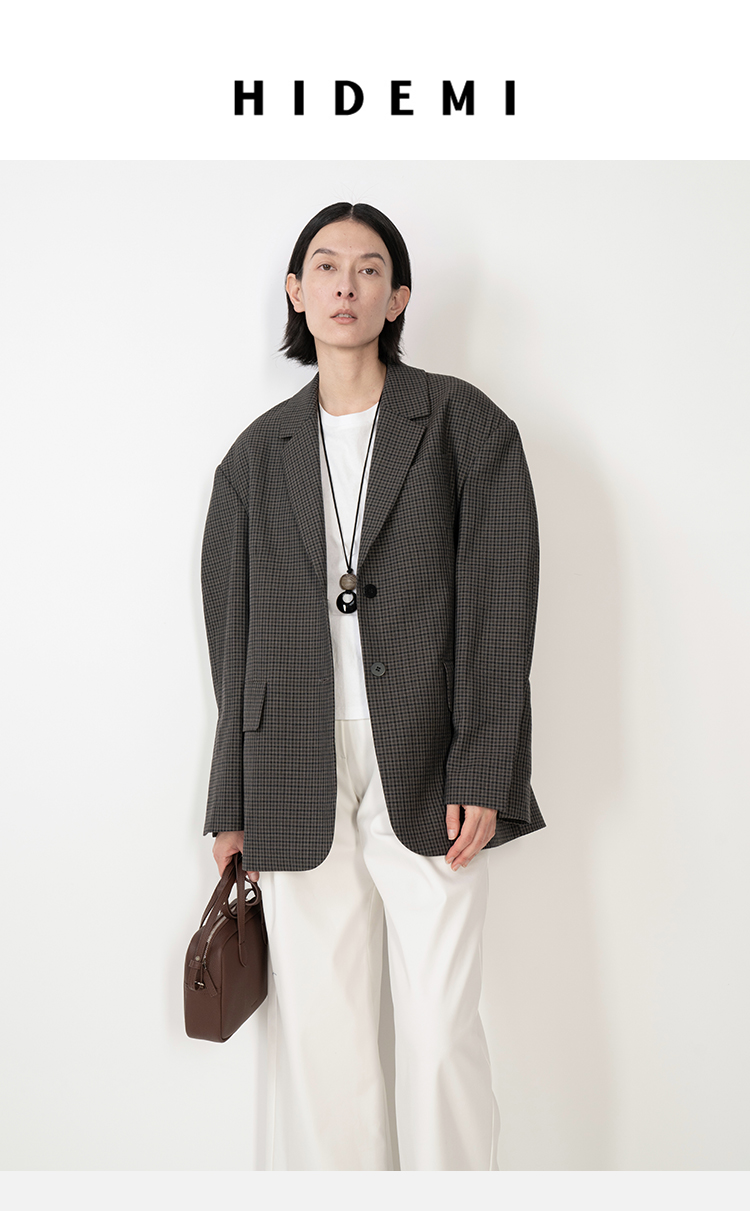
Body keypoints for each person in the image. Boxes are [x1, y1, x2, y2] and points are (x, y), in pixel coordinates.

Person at [201, 201, 544, 1171]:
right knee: (326, 1042)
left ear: (398, 298)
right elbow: (232, 644)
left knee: (439, 1031)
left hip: (430, 760)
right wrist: (230, 800)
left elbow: (501, 605)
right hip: (292, 764)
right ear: (295, 291)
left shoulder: (465, 426)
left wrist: (485, 762)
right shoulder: (255, 457)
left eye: (367, 269)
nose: (344, 285)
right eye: (325, 265)